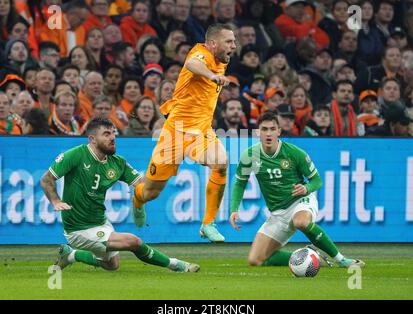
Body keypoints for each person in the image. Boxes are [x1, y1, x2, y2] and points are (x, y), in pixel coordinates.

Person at [40, 118, 199, 273]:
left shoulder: (118, 163)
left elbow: (143, 185)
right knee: (133, 241)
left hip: (100, 222)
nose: (112, 137)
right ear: (92, 139)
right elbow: (46, 179)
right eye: (107, 134)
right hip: (78, 229)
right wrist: (55, 201)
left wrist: (162, 166)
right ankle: (176, 265)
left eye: (113, 133)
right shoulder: (75, 155)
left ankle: (70, 255)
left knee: (111, 265)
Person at [132, 23, 237, 242]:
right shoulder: (201, 54)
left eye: (234, 42)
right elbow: (191, 63)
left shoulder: (221, 60)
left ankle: (208, 224)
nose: (234, 46)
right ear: (213, 43)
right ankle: (137, 200)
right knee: (151, 191)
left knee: (221, 162)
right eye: (229, 41)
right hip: (175, 133)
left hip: (201, 132)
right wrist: (210, 75)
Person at [229, 111, 365, 268]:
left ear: (279, 131)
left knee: (300, 222)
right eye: (264, 129)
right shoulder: (250, 155)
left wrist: (306, 188)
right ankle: (310, 257)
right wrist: (234, 209)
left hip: (300, 201)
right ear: (258, 132)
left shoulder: (294, 153)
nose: (268, 133)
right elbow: (240, 183)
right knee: (256, 260)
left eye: (272, 129)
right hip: (278, 213)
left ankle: (341, 260)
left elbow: (317, 180)